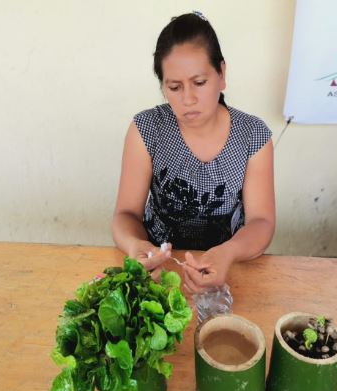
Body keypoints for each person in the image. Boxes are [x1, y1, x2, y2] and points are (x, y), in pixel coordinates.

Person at [112, 11, 275, 294]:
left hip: (228, 267)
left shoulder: (253, 135)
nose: (188, 99)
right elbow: (125, 214)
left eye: (199, 83)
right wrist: (136, 246)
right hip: (157, 270)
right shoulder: (147, 130)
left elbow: (262, 222)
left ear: (221, 74)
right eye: (174, 87)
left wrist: (228, 253)